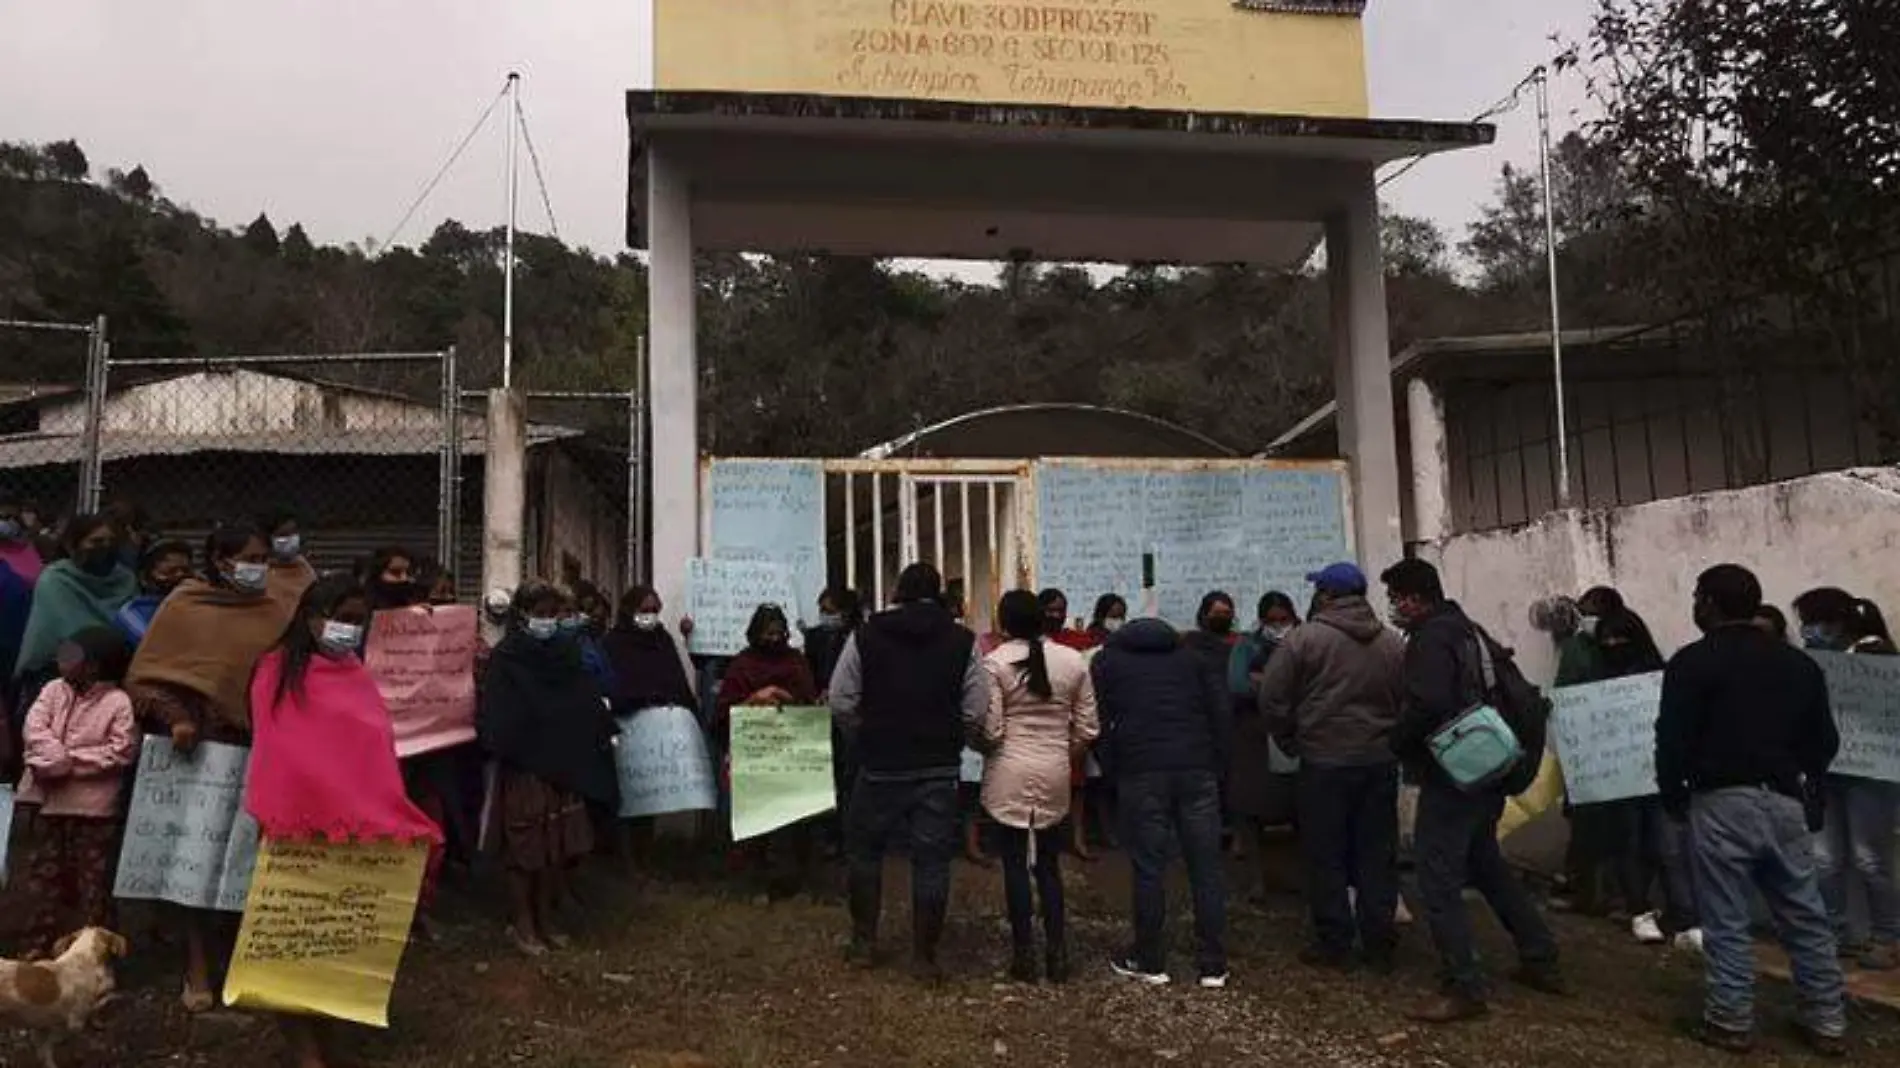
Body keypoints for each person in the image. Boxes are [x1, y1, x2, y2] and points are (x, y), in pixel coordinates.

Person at [247, 575, 444, 1068]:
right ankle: (305, 1055)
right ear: (312, 617)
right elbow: (278, 750)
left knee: (337, 948)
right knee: (289, 949)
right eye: (343, 618)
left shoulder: (357, 673)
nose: (349, 630)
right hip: (297, 830)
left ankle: (331, 1046)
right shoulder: (274, 671)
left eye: (359, 621)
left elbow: (372, 753)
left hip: (360, 832)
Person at [1659, 565, 1846, 1055]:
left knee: (1726, 916)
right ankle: (1827, 1021)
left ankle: (1731, 1020)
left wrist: (1673, 795)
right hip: (1785, 801)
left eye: (1698, 597)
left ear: (1712, 605)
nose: (1695, 606)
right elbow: (1824, 741)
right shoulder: (1800, 666)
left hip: (1720, 801)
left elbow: (1671, 738)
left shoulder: (1693, 663)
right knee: (1804, 915)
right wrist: (1803, 785)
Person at [1382, 557, 1563, 1023]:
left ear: (1412, 598)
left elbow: (1429, 704)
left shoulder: (1431, 638)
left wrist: (1395, 741)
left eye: (1396, 598)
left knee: (1436, 876)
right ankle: (1540, 955)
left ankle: (1464, 984)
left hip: (1454, 775)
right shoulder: (1466, 628)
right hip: (1489, 767)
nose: (1393, 607)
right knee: (1486, 866)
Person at [126, 522, 296, 1010]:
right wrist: (176, 717)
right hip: (199, 753)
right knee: (193, 860)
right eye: (251, 557)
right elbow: (143, 679)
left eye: (265, 558)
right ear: (221, 562)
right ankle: (196, 965)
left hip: (262, 748)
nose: (260, 567)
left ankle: (245, 959)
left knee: (249, 858)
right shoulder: (185, 605)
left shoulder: (276, 610)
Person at [828, 562, 987, 981]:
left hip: (880, 764)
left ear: (898, 591)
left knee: (865, 854)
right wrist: (955, 737)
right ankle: (924, 956)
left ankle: (864, 943)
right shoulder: (962, 639)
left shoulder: (866, 634)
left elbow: (842, 700)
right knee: (932, 861)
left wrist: (863, 738)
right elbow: (976, 709)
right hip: (937, 766)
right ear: (938, 593)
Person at [1260, 563, 1405, 971]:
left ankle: (1334, 941)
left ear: (1325, 595)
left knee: (1326, 854)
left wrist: (1291, 740)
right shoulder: (1393, 643)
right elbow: (1406, 700)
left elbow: (1273, 699)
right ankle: (1379, 942)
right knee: (1376, 853)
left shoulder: (1303, 641)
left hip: (1323, 762)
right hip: (1378, 762)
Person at [1091, 609, 1231, 988]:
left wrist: (1112, 767)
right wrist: (1218, 764)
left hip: (1141, 770)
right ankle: (1213, 963)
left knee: (1149, 866)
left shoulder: (1108, 662)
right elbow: (1220, 713)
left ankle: (1150, 958)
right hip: (1197, 768)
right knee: (1205, 867)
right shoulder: (1194, 660)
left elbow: (1100, 721)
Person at [478, 582, 619, 955]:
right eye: (539, 613)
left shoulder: (566, 654)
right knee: (525, 848)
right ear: (521, 616)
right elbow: (496, 716)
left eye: (552, 614)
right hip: (525, 765)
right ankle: (522, 924)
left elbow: (585, 702)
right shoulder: (506, 658)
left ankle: (547, 919)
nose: (547, 621)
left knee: (557, 847)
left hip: (565, 763)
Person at [979, 590, 1099, 983]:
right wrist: (1064, 755)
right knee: (1049, 865)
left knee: (1014, 864)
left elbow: (993, 730)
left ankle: (1023, 954)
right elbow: (1087, 728)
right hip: (1055, 771)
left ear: (1004, 623)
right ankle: (1058, 953)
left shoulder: (994, 663)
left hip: (1007, 772)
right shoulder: (1073, 661)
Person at [1793, 585, 1900, 971]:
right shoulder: (1817, 660)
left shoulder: (1874, 654)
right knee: (1825, 858)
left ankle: (1888, 937)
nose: (1806, 631)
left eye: (1811, 623)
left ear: (1836, 623)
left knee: (1871, 858)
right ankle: (1836, 933)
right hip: (1827, 772)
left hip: (1870, 775)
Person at [15, 626, 138, 953]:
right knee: (43, 880)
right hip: (46, 803)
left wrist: (68, 762)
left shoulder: (118, 702)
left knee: (92, 885)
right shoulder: (53, 690)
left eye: (72, 655)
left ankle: (92, 958)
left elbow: (120, 751)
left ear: (94, 666)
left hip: (93, 811)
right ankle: (35, 952)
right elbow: (34, 728)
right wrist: (54, 757)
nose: (62, 660)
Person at [716, 603, 822, 899]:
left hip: (790, 751)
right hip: (754, 751)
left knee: (793, 820)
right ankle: (753, 878)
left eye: (779, 633)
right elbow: (725, 709)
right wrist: (754, 699)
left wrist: (787, 699)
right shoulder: (742, 664)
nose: (774, 639)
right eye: (768, 633)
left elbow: (808, 701)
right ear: (755, 633)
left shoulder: (796, 662)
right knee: (754, 820)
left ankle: (791, 878)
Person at [12, 513, 139, 701]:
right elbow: (64, 630)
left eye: (110, 541)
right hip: (57, 671)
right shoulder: (56, 578)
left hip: (114, 671)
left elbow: (132, 625)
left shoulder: (126, 580)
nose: (104, 547)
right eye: (96, 541)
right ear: (74, 544)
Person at [1228, 590, 1302, 900]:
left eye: (1283, 620)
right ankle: (1257, 880)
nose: (1278, 627)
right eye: (1271, 621)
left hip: (1295, 735)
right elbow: (1238, 685)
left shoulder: (1305, 641)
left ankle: (1299, 878)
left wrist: (1265, 681)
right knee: (1250, 808)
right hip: (1254, 737)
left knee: (1301, 809)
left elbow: (1311, 685)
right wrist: (1278, 687)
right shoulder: (1248, 645)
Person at [113, 539, 193, 648]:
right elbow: (153, 647)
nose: (180, 576)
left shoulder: (199, 605)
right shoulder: (132, 613)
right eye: (170, 571)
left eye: (185, 570)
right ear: (146, 577)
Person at [259, 507, 318, 613]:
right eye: (283, 534)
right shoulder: (260, 571)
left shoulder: (306, 569)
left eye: (293, 533)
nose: (290, 538)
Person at [364, 546, 421, 610]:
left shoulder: (412, 586)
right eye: (396, 574)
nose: (402, 578)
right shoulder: (374, 586)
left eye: (404, 572)